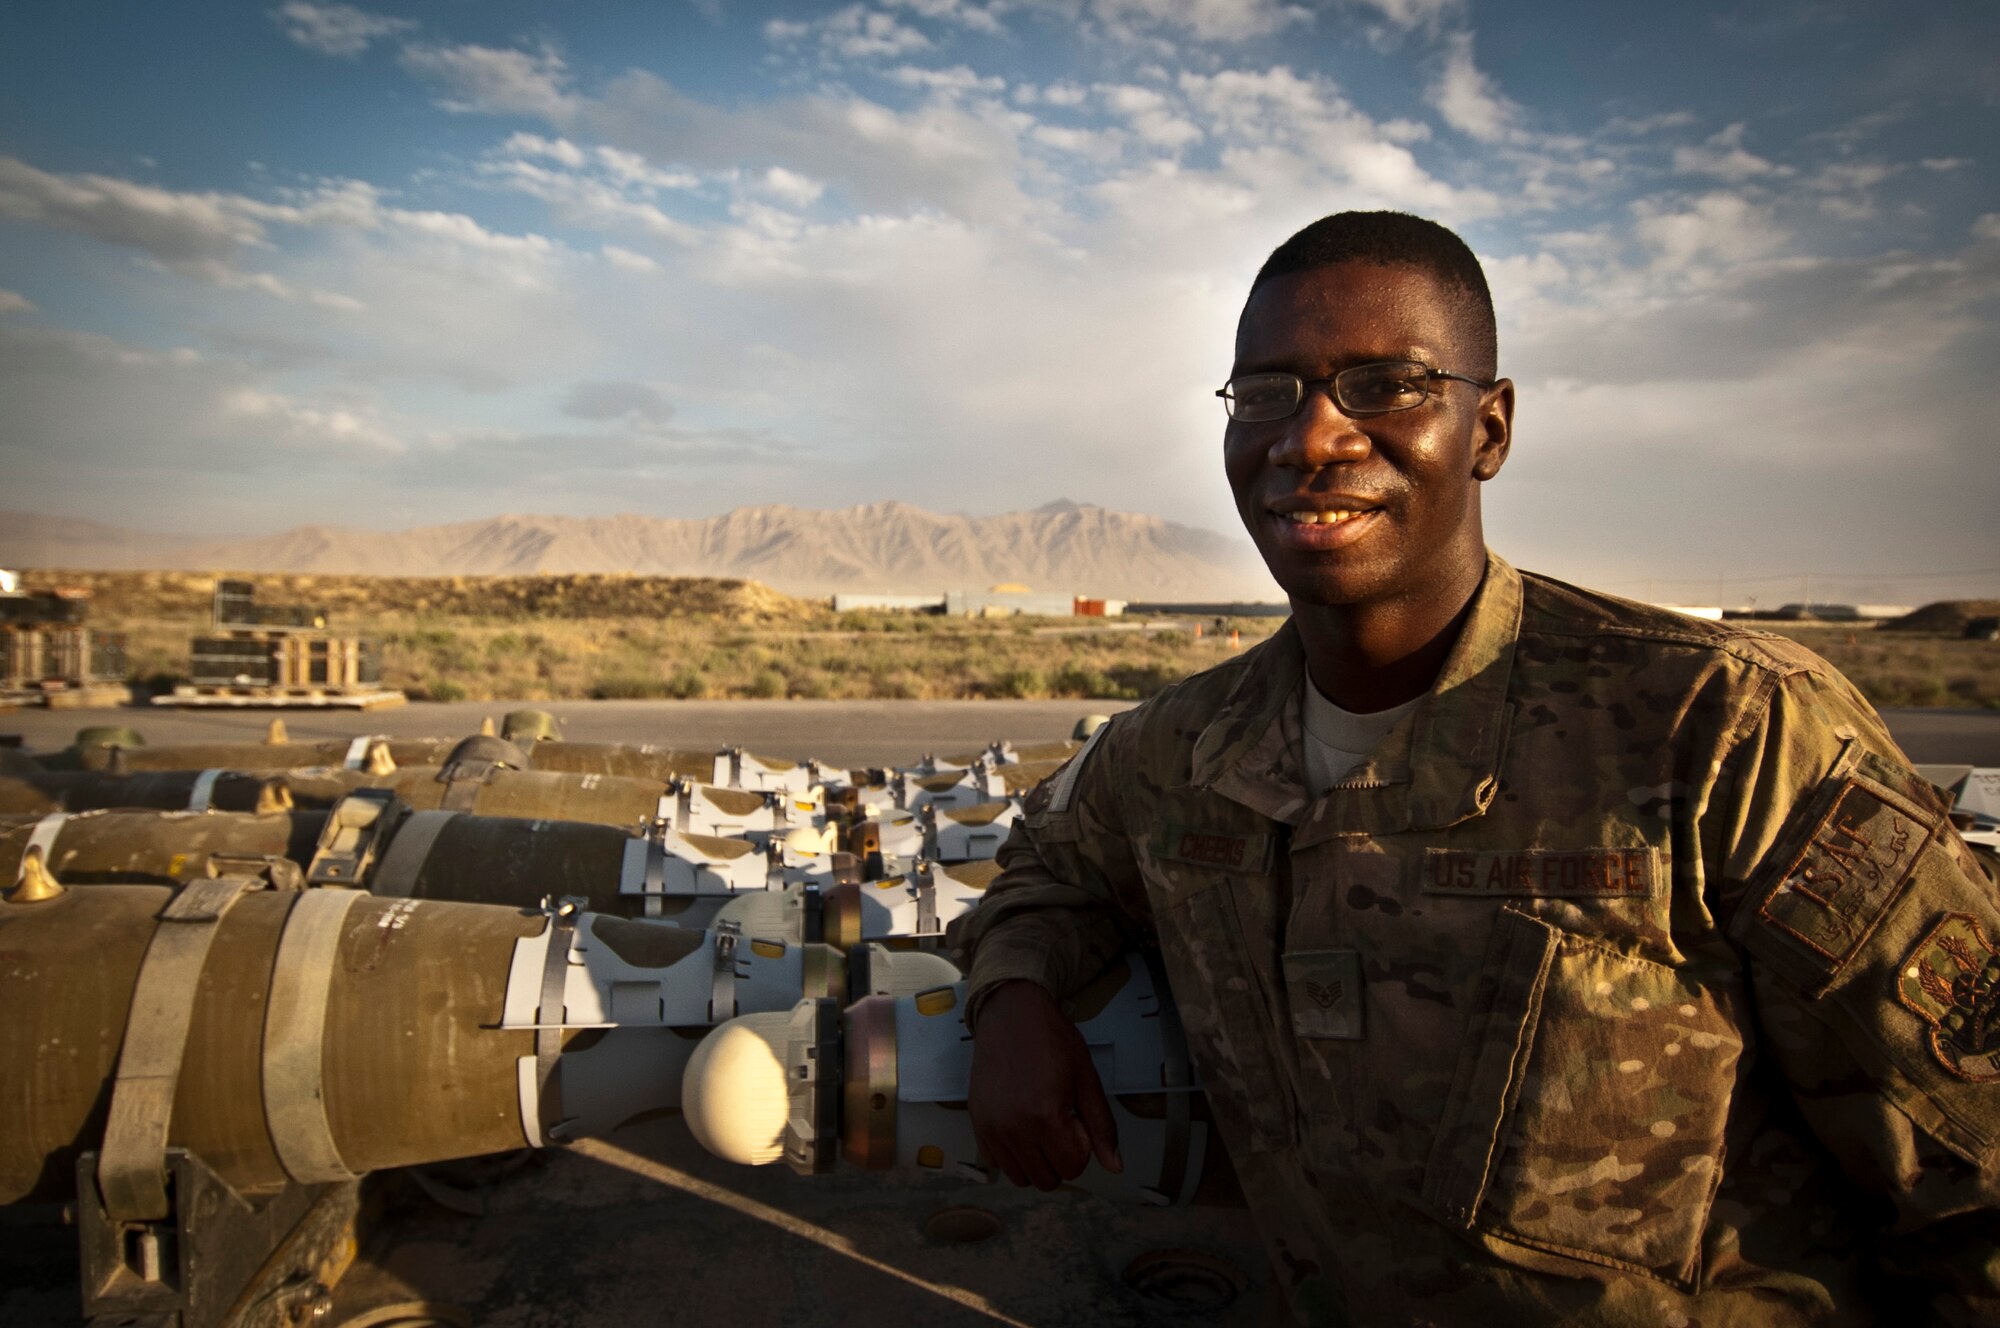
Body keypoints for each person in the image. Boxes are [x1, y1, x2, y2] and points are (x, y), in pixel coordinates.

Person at [950, 210, 2000, 1325]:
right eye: (1264, 393)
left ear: (1487, 428)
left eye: (1382, 385)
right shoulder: (1179, 747)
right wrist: (1010, 995)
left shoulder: (1719, 728)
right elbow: (1047, 869)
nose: (1310, 438)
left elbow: (1973, 1171)